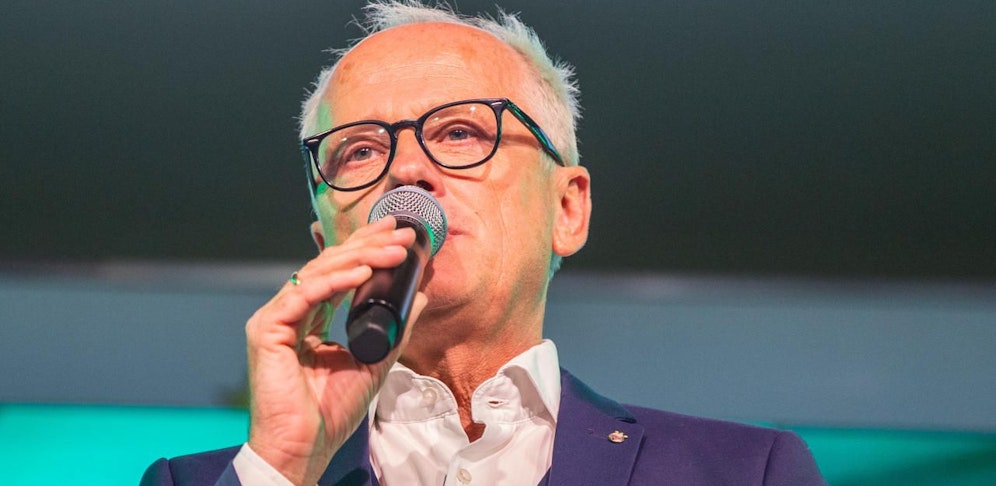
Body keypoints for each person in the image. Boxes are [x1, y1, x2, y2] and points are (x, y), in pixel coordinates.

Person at [142, 1, 826, 484]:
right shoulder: (204, 482)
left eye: (461, 132)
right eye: (360, 151)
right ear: (327, 244)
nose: (407, 170)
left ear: (567, 209)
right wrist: (284, 468)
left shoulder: (744, 473)